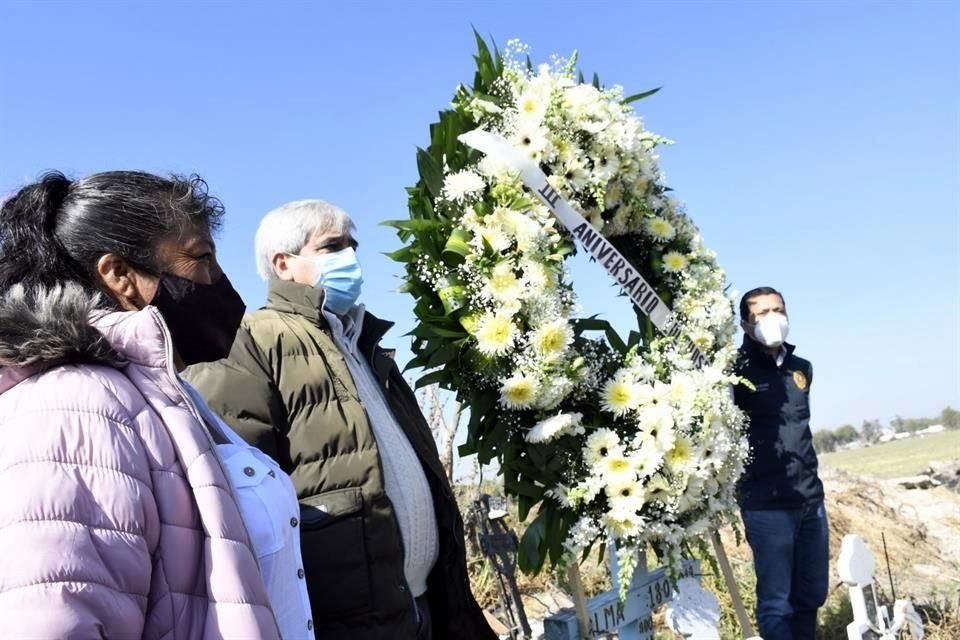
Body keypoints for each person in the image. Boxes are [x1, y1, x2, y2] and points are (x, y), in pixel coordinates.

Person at [0, 171, 313, 639]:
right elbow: (53, 619)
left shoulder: (161, 393)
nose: (219, 282)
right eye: (201, 258)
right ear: (119, 275)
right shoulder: (77, 406)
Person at [185, 199, 494, 640]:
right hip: (348, 620)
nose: (350, 257)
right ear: (283, 264)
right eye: (332, 247)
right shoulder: (252, 339)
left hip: (420, 604)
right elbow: (240, 493)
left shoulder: (362, 341)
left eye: (352, 245)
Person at [734, 286, 829, 640]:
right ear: (746, 324)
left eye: (778, 310)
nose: (772, 318)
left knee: (812, 595)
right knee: (777, 602)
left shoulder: (801, 369)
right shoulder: (733, 373)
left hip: (810, 501)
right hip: (766, 503)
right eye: (761, 313)